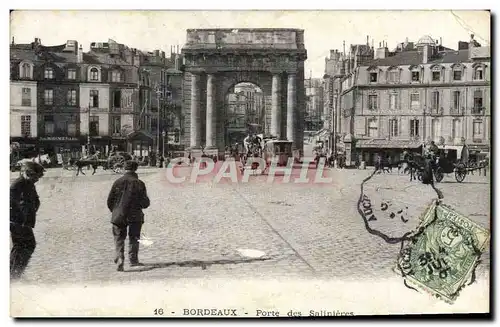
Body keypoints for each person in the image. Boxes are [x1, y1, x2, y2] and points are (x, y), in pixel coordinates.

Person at [107, 160, 150, 271]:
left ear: (124, 168)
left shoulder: (117, 182)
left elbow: (110, 201)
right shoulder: (139, 183)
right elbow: (145, 203)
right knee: (134, 237)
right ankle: (133, 260)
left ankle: (120, 258)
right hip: (135, 216)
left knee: (118, 238)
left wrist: (116, 211)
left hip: (119, 215)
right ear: (136, 169)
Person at [10, 161, 45, 279]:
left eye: (39, 177)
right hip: (17, 221)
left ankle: (13, 272)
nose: (37, 179)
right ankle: (14, 274)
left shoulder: (28, 183)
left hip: (25, 221)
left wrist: (33, 209)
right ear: (28, 173)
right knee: (27, 245)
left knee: (21, 246)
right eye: (36, 176)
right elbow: (10, 202)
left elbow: (35, 199)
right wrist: (20, 217)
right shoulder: (18, 184)